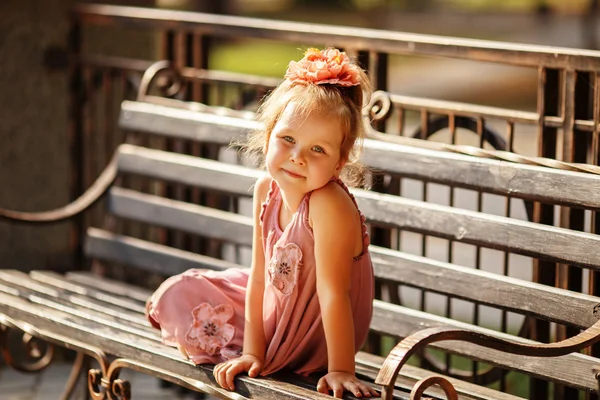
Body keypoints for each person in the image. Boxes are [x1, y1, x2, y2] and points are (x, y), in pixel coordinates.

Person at [146, 47, 379, 398]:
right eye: (288, 139)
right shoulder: (265, 190)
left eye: (318, 150)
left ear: (338, 161)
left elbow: (334, 293)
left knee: (206, 315)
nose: (298, 157)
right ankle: (249, 349)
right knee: (181, 291)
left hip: (316, 330)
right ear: (269, 134)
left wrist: (341, 369)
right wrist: (253, 352)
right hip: (278, 305)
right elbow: (258, 277)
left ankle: (262, 350)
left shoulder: (328, 203)